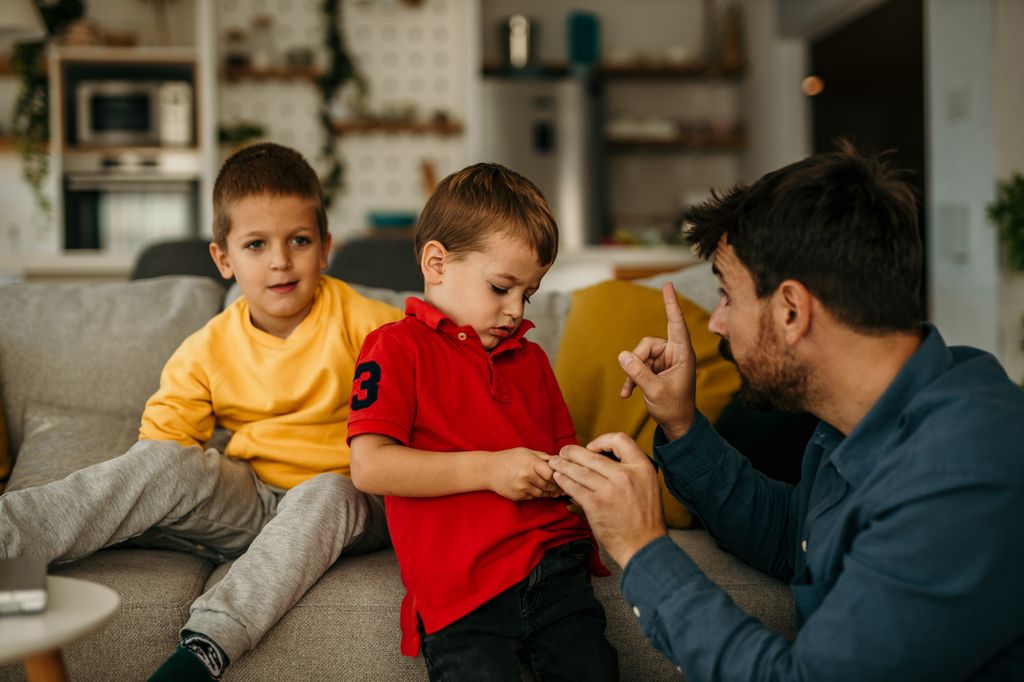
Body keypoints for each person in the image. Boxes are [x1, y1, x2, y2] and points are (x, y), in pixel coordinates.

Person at [548, 143, 1024, 681]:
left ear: (792, 310)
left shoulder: (959, 477)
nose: (718, 324)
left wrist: (641, 547)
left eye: (727, 296)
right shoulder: (862, 418)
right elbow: (791, 536)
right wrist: (681, 425)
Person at [0, 142, 403, 681]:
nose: (280, 260)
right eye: (256, 244)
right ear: (224, 259)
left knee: (325, 491)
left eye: (299, 241)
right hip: (258, 501)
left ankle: (203, 653)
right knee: (165, 463)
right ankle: (11, 538)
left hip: (350, 502)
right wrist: (161, 484)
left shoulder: (371, 323)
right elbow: (162, 449)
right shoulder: (206, 347)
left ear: (325, 248)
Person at [347, 163, 619, 681]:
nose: (515, 310)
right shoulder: (394, 348)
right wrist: (491, 470)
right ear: (436, 263)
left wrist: (591, 470)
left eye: (528, 294)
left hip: (558, 574)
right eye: (500, 287)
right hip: (463, 596)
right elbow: (370, 467)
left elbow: (563, 460)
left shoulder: (532, 360)